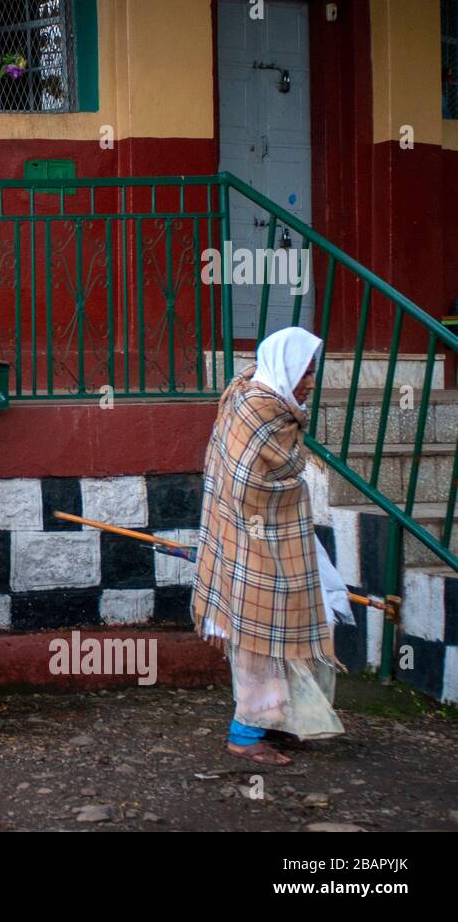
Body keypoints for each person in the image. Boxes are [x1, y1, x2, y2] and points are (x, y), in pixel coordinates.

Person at [193, 326, 348, 767]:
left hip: (269, 540)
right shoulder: (258, 411)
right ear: (286, 368)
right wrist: (292, 484)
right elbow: (246, 485)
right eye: (306, 372)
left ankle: (284, 720)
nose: (311, 382)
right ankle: (245, 735)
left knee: (304, 617)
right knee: (257, 635)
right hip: (253, 543)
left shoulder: (260, 401)